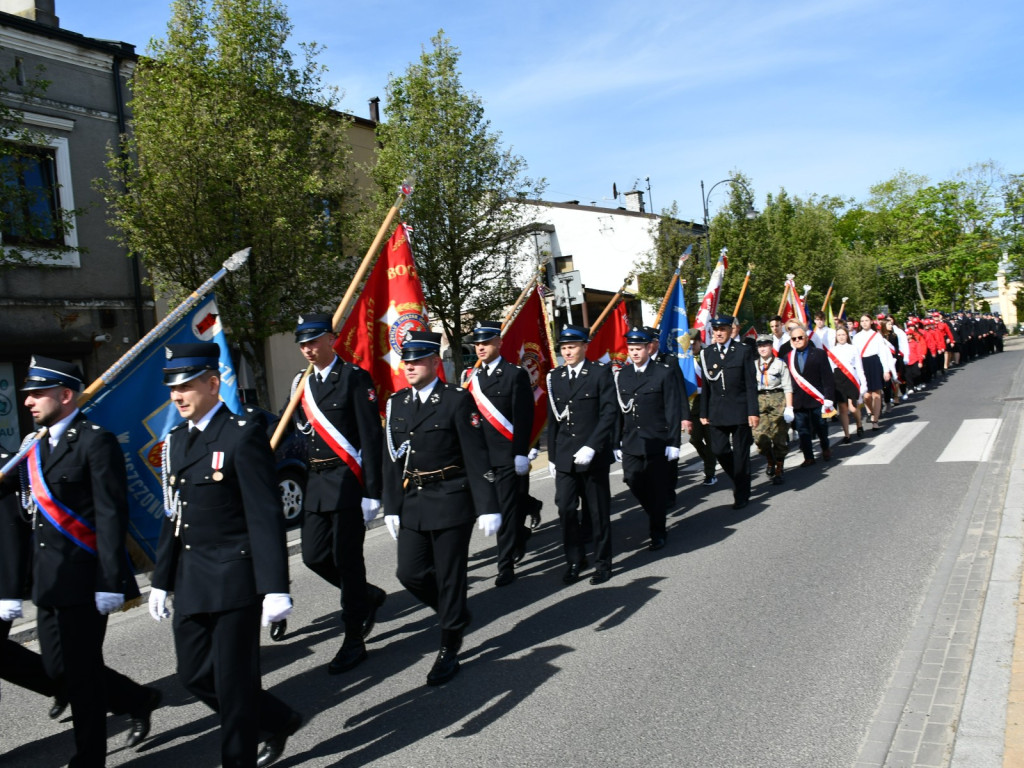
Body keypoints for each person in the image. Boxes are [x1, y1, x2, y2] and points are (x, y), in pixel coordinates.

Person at [150, 344, 300, 768]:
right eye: (172, 388)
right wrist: (161, 578)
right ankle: (278, 718)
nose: (177, 396)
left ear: (213, 384)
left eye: (186, 386)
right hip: (192, 577)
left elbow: (264, 515)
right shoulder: (177, 440)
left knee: (235, 683)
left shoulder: (241, 433)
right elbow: (173, 515)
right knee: (193, 675)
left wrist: (274, 587)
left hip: (236, 575)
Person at [15, 356, 161, 767]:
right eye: (27, 394)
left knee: (79, 674)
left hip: (84, 580)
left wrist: (111, 580)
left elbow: (111, 515)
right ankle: (138, 698)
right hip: (47, 580)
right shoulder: (36, 445)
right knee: (58, 670)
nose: (28, 401)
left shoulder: (96, 441)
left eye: (37, 393)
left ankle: (89, 757)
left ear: (64, 395)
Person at [381, 331, 500, 686]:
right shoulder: (397, 403)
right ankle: (455, 613)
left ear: (435, 363)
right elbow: (391, 458)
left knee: (450, 577)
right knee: (410, 573)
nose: (410, 366)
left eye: (417, 360)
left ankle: (450, 644)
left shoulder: (455, 400)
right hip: (414, 500)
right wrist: (391, 505)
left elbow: (475, 453)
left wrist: (487, 505)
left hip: (451, 497)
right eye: (406, 361)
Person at [289, 313, 386, 673]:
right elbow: (296, 425)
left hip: (347, 480)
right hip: (316, 481)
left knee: (347, 560)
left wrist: (372, 492)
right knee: (313, 556)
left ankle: (354, 639)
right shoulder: (301, 383)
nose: (308, 349)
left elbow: (371, 437)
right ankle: (367, 596)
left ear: (332, 339)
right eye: (302, 344)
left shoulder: (355, 379)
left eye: (314, 341)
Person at [461, 320, 535, 587]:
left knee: (504, 511)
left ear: (499, 343)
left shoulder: (514, 374)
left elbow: (524, 416)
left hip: (505, 455)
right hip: (480, 458)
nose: (480, 347)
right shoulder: (472, 378)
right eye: (477, 344)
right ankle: (521, 532)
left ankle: (505, 566)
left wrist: (520, 452)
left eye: (485, 342)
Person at [547, 325, 618, 584]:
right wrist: (553, 457)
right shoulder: (555, 377)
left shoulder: (599, 373)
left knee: (598, 512)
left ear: (585, 347)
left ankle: (602, 562)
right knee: (565, 510)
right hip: (565, 455)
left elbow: (609, 412)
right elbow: (553, 419)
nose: (567, 352)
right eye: (564, 348)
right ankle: (575, 559)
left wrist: (592, 445)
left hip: (593, 454)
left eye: (572, 346)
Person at [614, 327, 683, 550]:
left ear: (647, 348)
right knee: (632, 479)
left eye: (638, 349)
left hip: (657, 439)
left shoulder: (663, 372)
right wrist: (616, 442)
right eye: (631, 349)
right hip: (632, 440)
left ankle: (658, 532)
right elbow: (618, 411)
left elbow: (672, 409)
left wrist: (674, 442)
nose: (634, 353)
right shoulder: (622, 375)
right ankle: (655, 512)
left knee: (658, 487)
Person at [699, 316, 759, 509]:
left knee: (741, 454)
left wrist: (753, 411)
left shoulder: (743, 351)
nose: (718, 333)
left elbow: (750, 384)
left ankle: (741, 493)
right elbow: (706, 387)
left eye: (722, 329)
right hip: (717, 411)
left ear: (731, 330)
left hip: (740, 409)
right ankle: (741, 478)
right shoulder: (707, 353)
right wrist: (703, 412)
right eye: (715, 329)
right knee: (718, 449)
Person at [785, 324, 837, 465]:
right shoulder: (788, 357)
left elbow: (827, 377)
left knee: (821, 426)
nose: (797, 340)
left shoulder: (819, 353)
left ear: (806, 338)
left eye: (800, 337)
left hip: (817, 398)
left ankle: (825, 447)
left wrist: (829, 398)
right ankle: (808, 457)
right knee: (802, 429)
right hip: (799, 400)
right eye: (794, 338)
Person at [752, 334, 793, 485]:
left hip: (777, 399)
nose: (763, 348)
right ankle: (770, 459)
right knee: (759, 437)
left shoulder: (780, 364)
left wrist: (789, 408)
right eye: (760, 346)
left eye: (766, 345)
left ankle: (779, 468)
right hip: (760, 400)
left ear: (771, 346)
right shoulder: (753, 365)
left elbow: (788, 387)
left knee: (779, 437)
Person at [684, 329, 717, 486]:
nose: (691, 347)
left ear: (699, 341)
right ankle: (711, 459)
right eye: (688, 344)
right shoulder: (685, 358)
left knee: (710, 441)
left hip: (709, 403)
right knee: (695, 439)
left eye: (694, 344)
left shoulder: (708, 355)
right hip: (693, 405)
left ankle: (710, 472)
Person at [853, 314, 894, 430]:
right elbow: (855, 354)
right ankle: (870, 411)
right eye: (862, 321)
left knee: (876, 394)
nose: (864, 323)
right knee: (866, 395)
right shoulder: (856, 337)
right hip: (862, 364)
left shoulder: (876, 336)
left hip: (874, 363)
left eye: (866, 320)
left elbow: (882, 354)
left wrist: (886, 370)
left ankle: (875, 419)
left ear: (871, 322)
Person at [827, 325, 867, 442]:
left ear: (847, 335)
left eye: (843, 334)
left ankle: (859, 424)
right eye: (838, 335)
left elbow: (859, 368)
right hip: (838, 380)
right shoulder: (832, 351)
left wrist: (863, 383)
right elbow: (830, 368)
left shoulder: (853, 348)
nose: (841, 337)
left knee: (853, 408)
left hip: (851, 379)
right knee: (842, 409)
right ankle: (847, 434)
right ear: (836, 337)